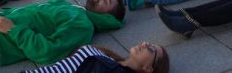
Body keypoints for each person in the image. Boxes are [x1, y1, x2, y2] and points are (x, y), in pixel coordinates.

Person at [22, 43, 169, 73]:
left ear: (148, 68)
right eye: (148, 43)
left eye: (150, 48)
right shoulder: (111, 60)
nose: (144, 44)